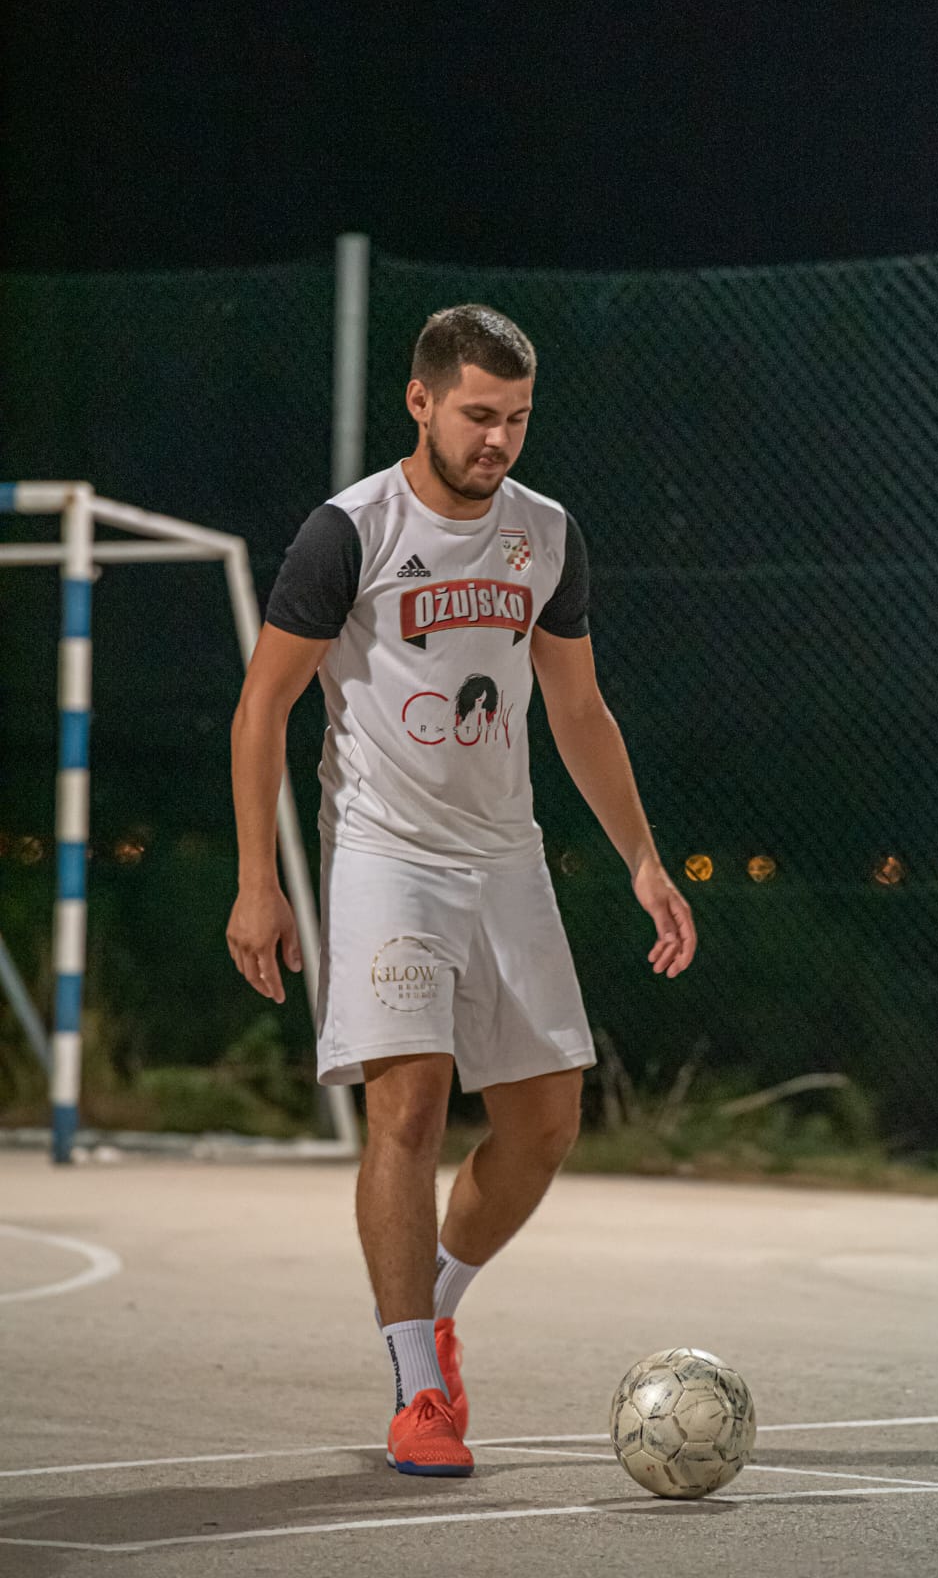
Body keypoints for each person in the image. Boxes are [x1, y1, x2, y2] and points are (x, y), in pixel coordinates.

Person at [226, 304, 697, 1478]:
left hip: (506, 856)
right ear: (421, 401)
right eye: (480, 414)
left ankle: (431, 1304)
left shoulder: (546, 534)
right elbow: (262, 706)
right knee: (412, 1104)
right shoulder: (350, 532)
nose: (499, 439)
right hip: (383, 854)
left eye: (518, 418)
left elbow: (579, 709)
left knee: (545, 1123)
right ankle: (418, 1389)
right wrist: (257, 881)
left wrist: (644, 859)